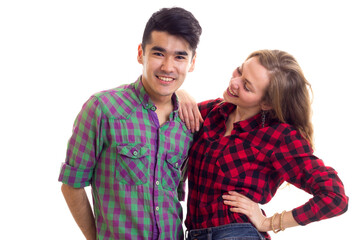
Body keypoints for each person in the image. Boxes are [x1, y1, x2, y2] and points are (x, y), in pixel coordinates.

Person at [58, 7, 202, 240]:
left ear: (192, 62)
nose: (167, 67)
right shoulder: (102, 109)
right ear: (140, 54)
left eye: (180, 56)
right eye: (158, 53)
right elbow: (71, 185)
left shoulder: (189, 123)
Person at [178, 49, 348, 239]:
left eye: (247, 86)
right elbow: (161, 108)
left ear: (267, 103)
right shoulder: (212, 112)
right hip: (193, 234)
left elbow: (335, 197)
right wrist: (179, 93)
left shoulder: (281, 137)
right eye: (239, 71)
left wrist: (270, 222)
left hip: (236, 233)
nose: (234, 83)